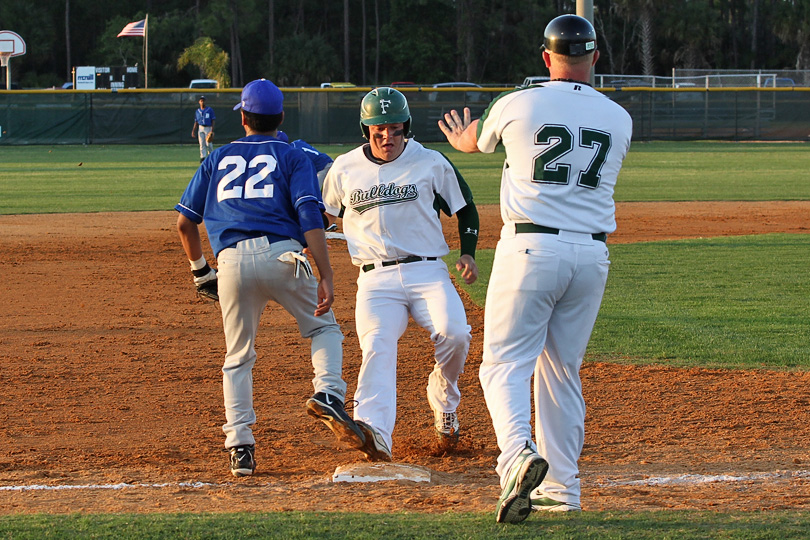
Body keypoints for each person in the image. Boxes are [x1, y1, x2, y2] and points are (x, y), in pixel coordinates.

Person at [439, 14, 633, 523]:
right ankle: (564, 488)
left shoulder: (518, 102)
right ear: (595, 57)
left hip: (530, 249)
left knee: (502, 364)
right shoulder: (619, 117)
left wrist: (464, 139)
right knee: (561, 371)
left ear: (546, 58)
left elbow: (477, 141)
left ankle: (517, 457)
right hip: (592, 256)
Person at [175, 79, 365, 477]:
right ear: (281, 118)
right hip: (284, 256)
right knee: (323, 329)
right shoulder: (293, 155)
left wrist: (199, 272)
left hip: (229, 265)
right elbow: (310, 217)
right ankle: (328, 392)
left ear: (243, 118)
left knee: (238, 357)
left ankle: (240, 446)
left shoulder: (216, 158)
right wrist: (326, 273)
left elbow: (184, 224)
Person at [321, 87, 480, 462]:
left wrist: (468, 254)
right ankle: (373, 432)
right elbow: (325, 214)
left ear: (405, 127)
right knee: (376, 346)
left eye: (394, 128)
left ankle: (444, 396)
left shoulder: (430, 161)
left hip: (427, 271)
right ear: (366, 130)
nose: (386, 137)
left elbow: (466, 208)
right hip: (375, 280)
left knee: (456, 334)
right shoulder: (344, 168)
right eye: (378, 129)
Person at [191, 95, 216, 162]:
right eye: (201, 101)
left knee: (208, 143)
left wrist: (212, 130)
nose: (202, 102)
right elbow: (196, 122)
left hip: (208, 127)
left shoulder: (209, 110)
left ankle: (211, 156)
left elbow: (213, 120)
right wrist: (193, 131)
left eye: (203, 101)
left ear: (205, 102)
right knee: (202, 143)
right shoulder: (197, 111)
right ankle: (203, 157)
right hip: (201, 127)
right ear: (199, 102)